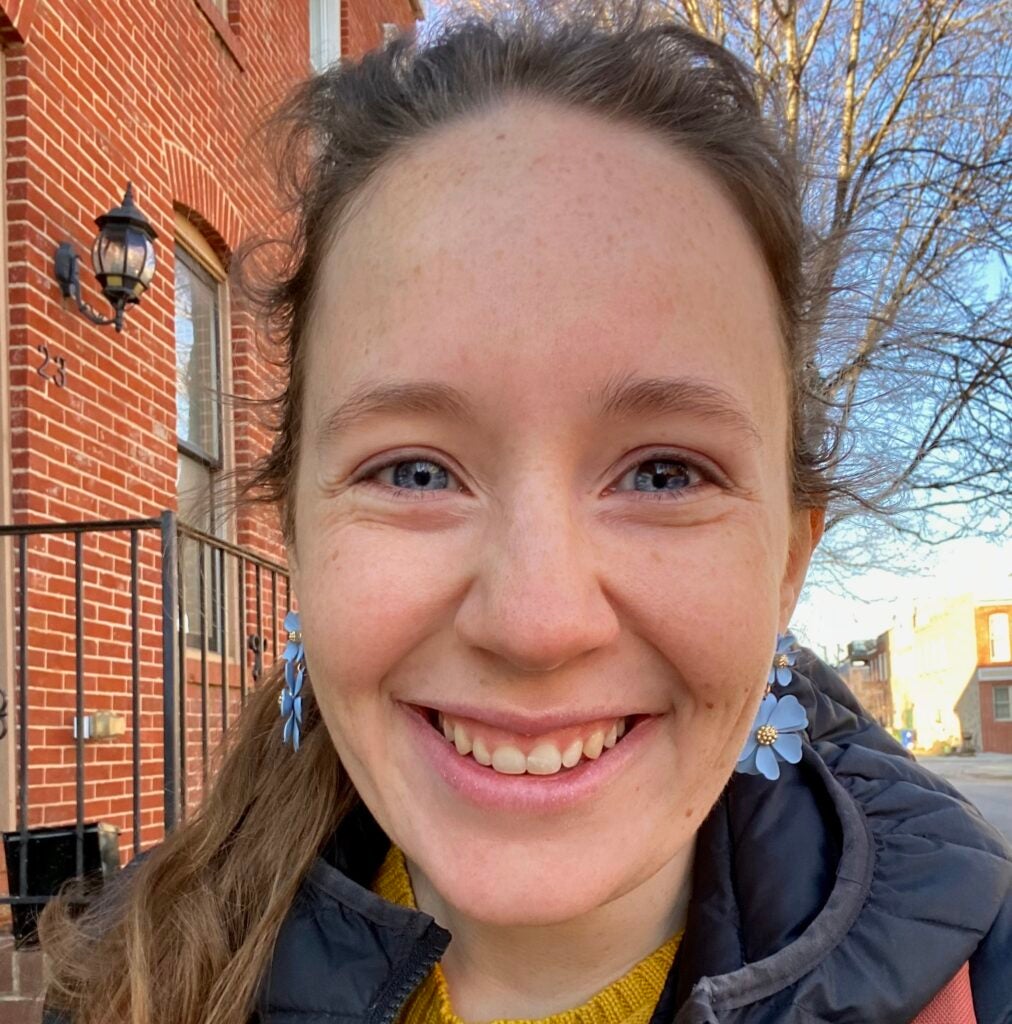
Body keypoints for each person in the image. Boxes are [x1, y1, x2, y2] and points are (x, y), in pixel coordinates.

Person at [39, 3, 1011, 1022]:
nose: (536, 622)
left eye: (664, 473)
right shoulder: (119, 984)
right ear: (296, 537)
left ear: (787, 564)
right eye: (414, 471)